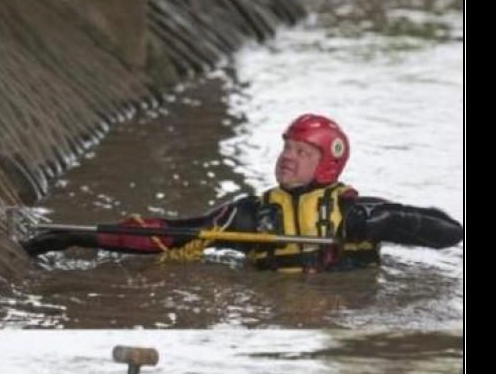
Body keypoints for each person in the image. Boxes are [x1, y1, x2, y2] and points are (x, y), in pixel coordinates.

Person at [37, 113, 460, 283]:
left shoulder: (356, 213)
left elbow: (448, 232)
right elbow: (167, 236)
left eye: (300, 152)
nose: (286, 159)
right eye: (286, 149)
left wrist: (391, 223)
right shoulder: (249, 216)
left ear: (327, 163)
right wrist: (76, 236)